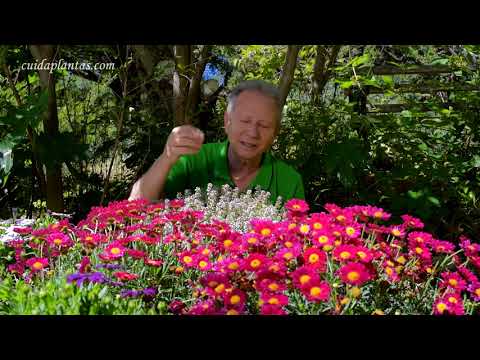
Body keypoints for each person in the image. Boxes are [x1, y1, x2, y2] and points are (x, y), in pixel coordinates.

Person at [128, 80, 305, 204]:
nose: (253, 133)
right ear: (227, 121)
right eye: (245, 121)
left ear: (275, 132)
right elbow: (135, 207)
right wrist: (167, 157)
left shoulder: (289, 181)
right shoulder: (192, 159)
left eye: (264, 125)